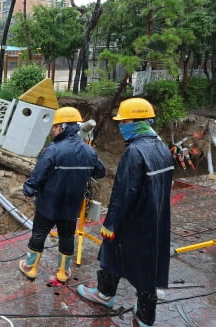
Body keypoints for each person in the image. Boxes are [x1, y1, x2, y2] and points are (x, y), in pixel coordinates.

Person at [77, 98, 173, 327]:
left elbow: (123, 192)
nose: (121, 125)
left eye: (125, 121)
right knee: (148, 262)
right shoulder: (161, 147)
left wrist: (110, 224)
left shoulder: (135, 152)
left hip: (132, 219)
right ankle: (145, 314)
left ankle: (105, 295)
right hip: (156, 218)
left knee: (112, 250)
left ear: (137, 121)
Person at [19, 106, 106, 284]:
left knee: (39, 233)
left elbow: (38, 176)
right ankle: (63, 272)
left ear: (63, 127)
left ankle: (30, 268)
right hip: (72, 204)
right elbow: (100, 172)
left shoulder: (52, 150)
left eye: (55, 126)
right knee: (67, 236)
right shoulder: (88, 151)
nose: (52, 130)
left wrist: (28, 190)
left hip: (48, 203)